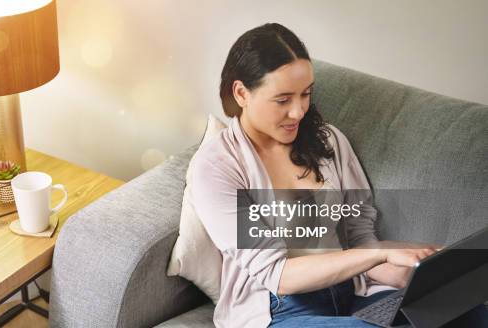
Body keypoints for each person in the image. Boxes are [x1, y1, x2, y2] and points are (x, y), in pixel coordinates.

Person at [189, 22, 488, 328]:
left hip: (350, 293)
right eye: (283, 100)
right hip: (277, 310)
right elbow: (276, 276)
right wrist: (377, 256)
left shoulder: (327, 140)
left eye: (305, 94)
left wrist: (410, 267)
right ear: (241, 93)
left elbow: (360, 236)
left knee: (467, 313)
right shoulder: (215, 167)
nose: (298, 111)